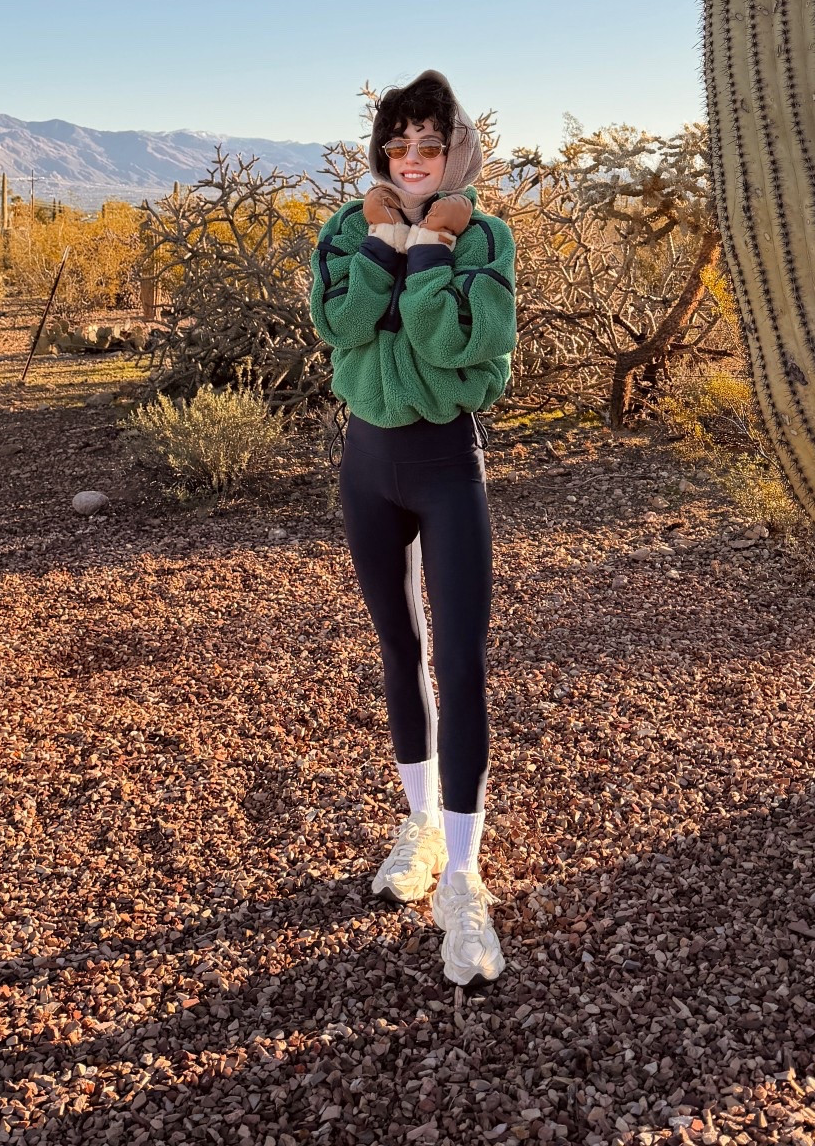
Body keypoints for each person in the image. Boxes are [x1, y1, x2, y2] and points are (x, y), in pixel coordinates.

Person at [309, 69, 517, 986]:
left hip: (443, 460)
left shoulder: (489, 240)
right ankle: (421, 826)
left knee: (463, 659)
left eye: (430, 145)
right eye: (399, 145)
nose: (414, 158)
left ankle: (465, 882)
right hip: (367, 462)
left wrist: (432, 252)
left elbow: (460, 347)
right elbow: (340, 325)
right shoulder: (346, 233)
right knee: (399, 646)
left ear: (456, 151)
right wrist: (388, 246)